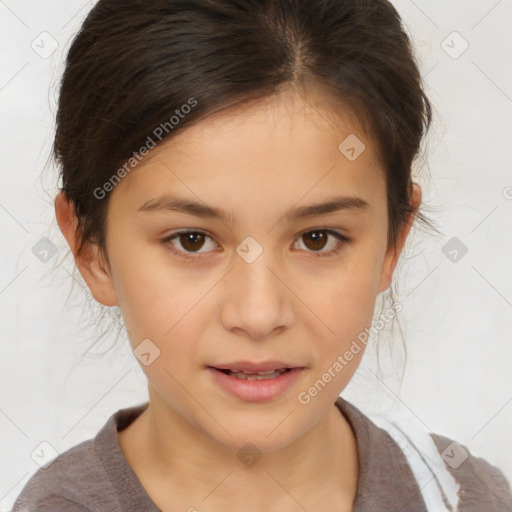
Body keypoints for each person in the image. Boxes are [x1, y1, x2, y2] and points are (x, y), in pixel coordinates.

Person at [12, 0, 512, 511]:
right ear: (90, 249)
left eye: (318, 238)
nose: (259, 315)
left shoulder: (466, 496)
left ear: (393, 242)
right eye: (192, 240)